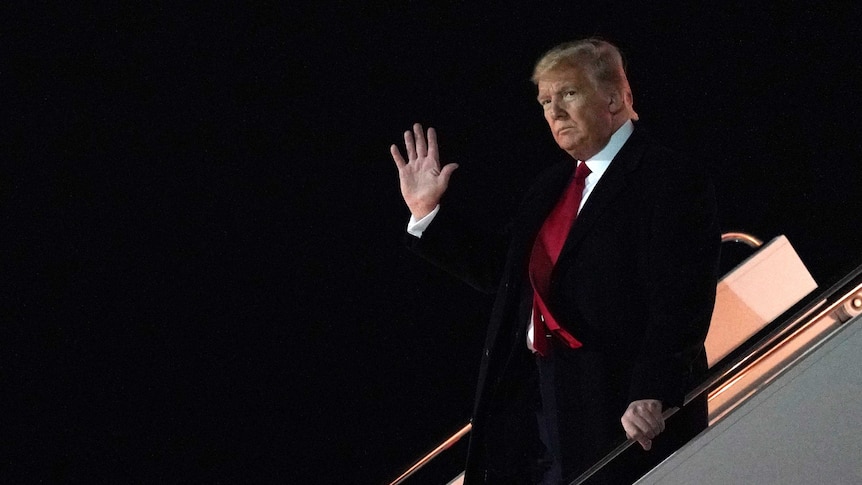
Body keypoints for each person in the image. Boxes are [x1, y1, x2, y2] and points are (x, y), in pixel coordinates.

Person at [390, 39, 720, 484]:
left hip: (619, 405)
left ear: (614, 97)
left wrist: (653, 390)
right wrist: (427, 215)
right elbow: (501, 272)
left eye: (568, 93)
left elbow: (682, 300)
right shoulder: (550, 187)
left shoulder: (668, 178)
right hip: (540, 405)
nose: (554, 112)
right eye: (545, 100)